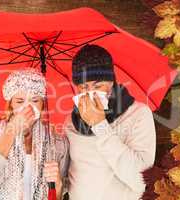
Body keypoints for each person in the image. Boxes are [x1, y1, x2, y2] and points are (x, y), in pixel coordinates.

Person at [63, 44, 156, 200]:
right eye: (83, 87)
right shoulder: (70, 122)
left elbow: (141, 180)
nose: (90, 93)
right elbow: (71, 177)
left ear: (112, 82)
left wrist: (100, 126)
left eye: (97, 86)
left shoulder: (138, 114)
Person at [0, 69, 69, 200]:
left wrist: (57, 186)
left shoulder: (57, 143)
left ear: (42, 104)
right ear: (10, 103)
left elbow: (57, 197)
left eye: (35, 100)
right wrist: (11, 130)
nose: (27, 107)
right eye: (19, 101)